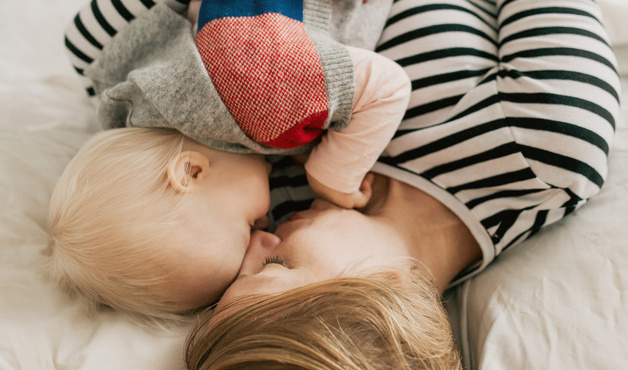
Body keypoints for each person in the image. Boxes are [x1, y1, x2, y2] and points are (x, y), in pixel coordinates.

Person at [184, 0, 621, 366]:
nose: (254, 240)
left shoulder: (283, 199)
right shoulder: (547, 146)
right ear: (385, 285)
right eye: (274, 267)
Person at [48, 0, 406, 325]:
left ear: (191, 171)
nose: (266, 231)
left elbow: (388, 86)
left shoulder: (261, 106)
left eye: (249, 225)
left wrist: (333, 178)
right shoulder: (130, 85)